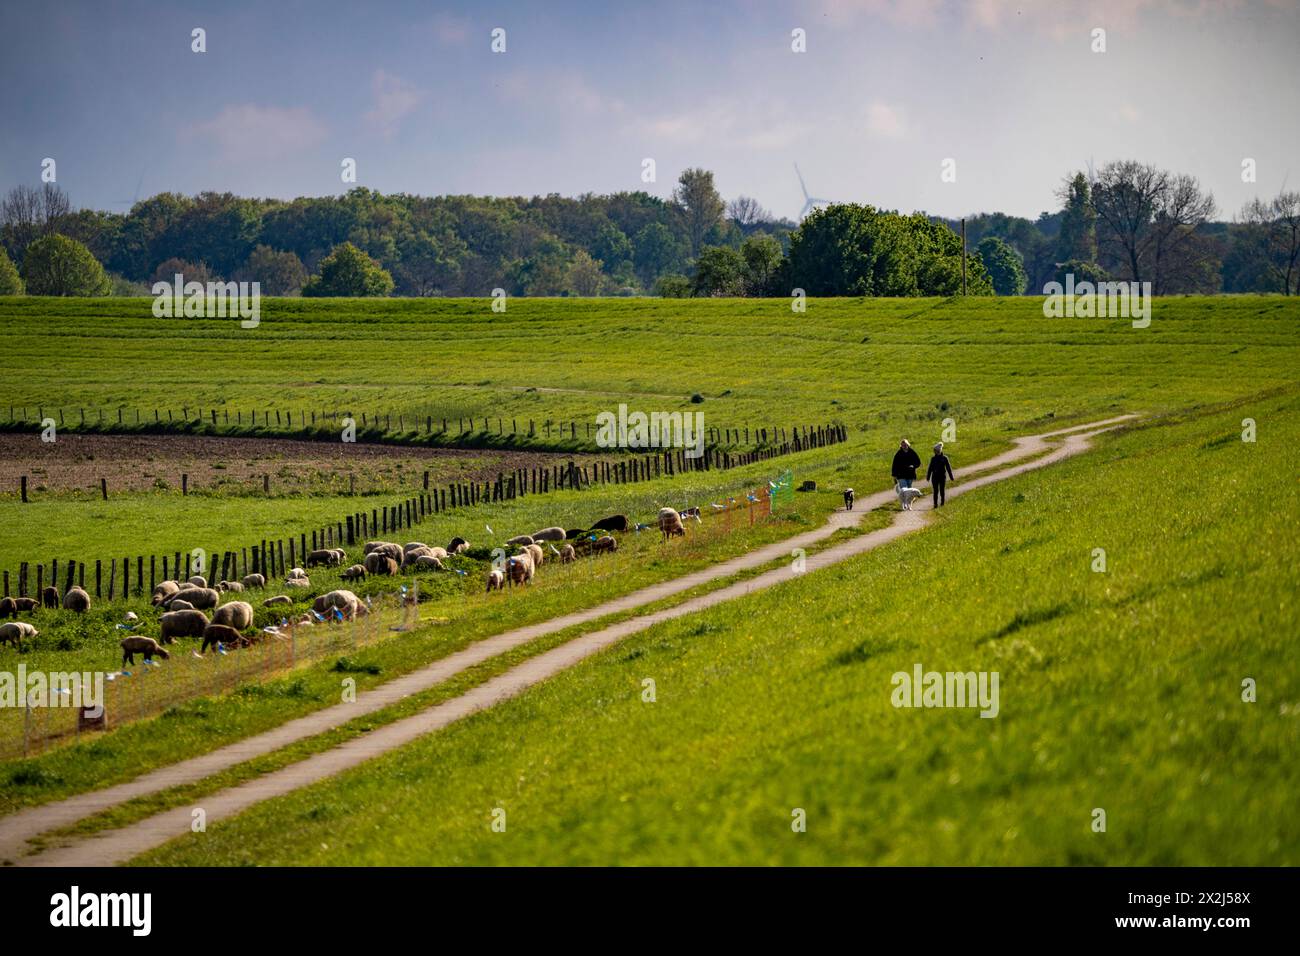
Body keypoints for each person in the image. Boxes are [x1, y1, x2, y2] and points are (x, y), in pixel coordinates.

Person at [926, 442, 955, 507]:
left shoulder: (944, 458)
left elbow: (948, 468)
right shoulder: (933, 459)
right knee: (935, 491)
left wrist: (951, 477)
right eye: (934, 450)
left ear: (939, 450)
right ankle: (935, 504)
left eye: (935, 450)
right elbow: (930, 468)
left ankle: (942, 503)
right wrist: (928, 476)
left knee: (942, 490)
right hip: (934, 477)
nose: (934, 452)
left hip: (942, 477)